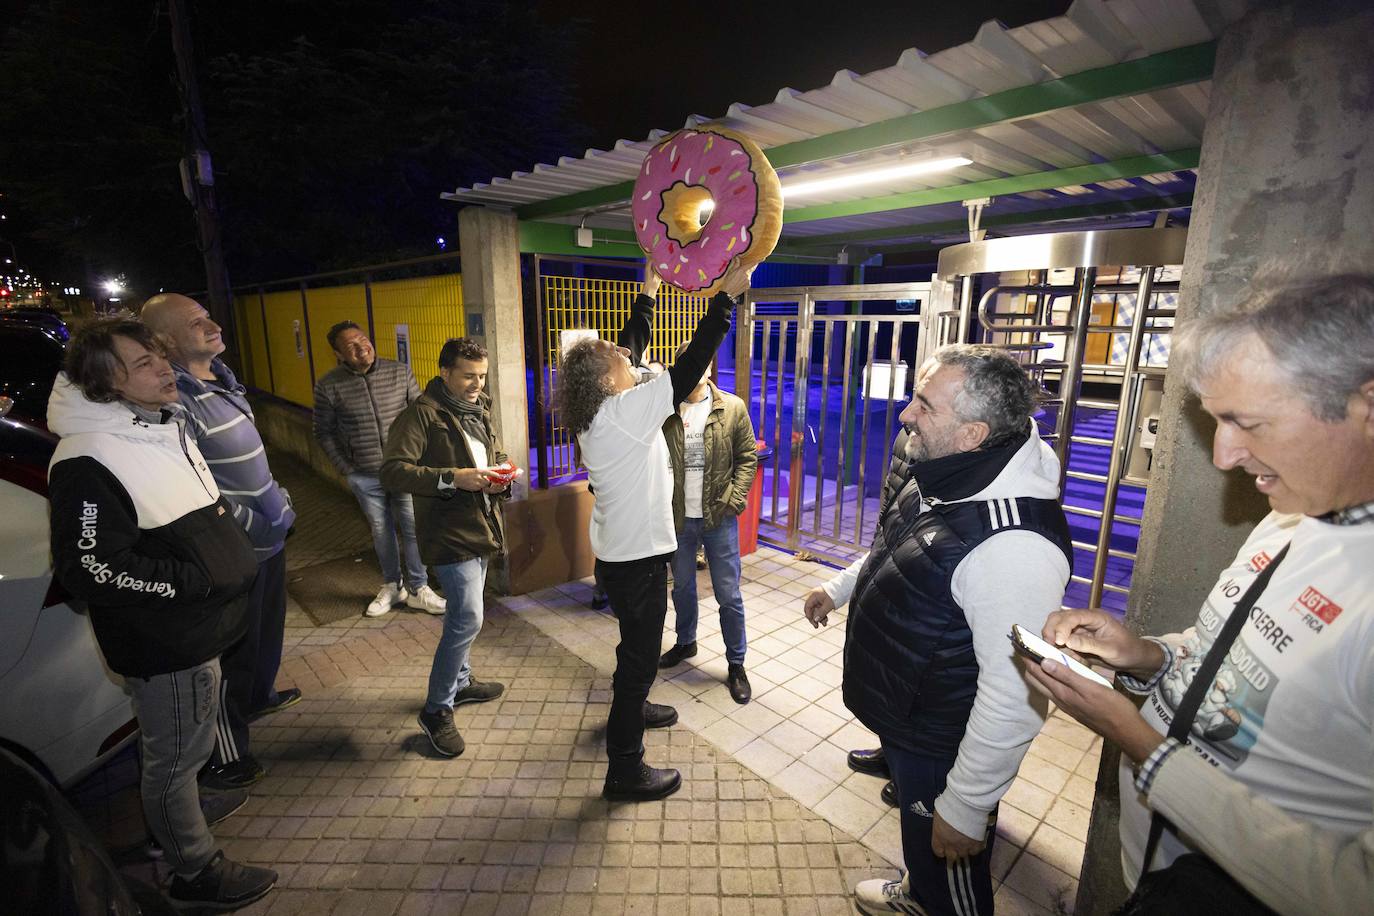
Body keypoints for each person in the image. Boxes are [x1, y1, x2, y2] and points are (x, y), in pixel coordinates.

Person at [1026, 274, 1374, 915]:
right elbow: (1241, 654)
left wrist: (1139, 744)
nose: (1223, 456)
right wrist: (1147, 655)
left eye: (1250, 424)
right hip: (1161, 883)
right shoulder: (1295, 511)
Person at [802, 345, 1072, 916]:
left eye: (924, 405)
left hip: (942, 739)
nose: (905, 414)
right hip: (911, 718)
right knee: (923, 850)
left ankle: (935, 898)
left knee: (954, 869)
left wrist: (969, 805)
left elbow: (1017, 695)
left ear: (973, 432)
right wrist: (839, 588)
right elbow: (894, 547)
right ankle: (918, 890)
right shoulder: (953, 473)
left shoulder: (1013, 546)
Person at [46, 318, 277, 910]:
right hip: (168, 640)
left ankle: (181, 816)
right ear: (105, 385)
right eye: (142, 364)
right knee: (172, 759)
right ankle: (194, 870)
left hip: (199, 628)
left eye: (158, 356)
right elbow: (90, 568)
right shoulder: (89, 457)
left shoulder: (156, 428)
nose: (163, 369)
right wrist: (196, 581)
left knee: (189, 748)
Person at [557, 258, 752, 802]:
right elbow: (688, 367)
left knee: (631, 648)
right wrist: (724, 303)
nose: (627, 358)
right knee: (639, 660)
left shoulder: (601, 409)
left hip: (620, 557)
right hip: (638, 562)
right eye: (616, 361)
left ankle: (635, 704)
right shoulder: (625, 411)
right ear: (605, 381)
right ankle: (625, 769)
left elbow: (629, 350)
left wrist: (647, 293)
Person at [142, 293, 298, 792]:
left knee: (264, 637)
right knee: (234, 652)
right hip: (237, 552)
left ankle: (259, 698)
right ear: (165, 342)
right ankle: (227, 756)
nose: (212, 325)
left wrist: (281, 503)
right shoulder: (177, 401)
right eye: (196, 322)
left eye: (208, 315)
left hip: (269, 543)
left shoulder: (222, 381)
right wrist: (254, 523)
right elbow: (193, 483)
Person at [380, 337, 510, 759]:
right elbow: (394, 472)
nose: (478, 384)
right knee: (467, 618)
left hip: (480, 524)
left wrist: (499, 472)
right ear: (445, 373)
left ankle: (463, 681)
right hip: (448, 532)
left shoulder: (477, 408)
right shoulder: (421, 414)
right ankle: (436, 710)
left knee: (464, 615)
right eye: (469, 375)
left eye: (482, 375)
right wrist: (452, 478)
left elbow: (484, 454)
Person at [313, 320, 446, 617]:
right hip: (364, 472)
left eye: (363, 340)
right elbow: (323, 431)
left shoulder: (399, 372)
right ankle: (392, 585)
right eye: (352, 346)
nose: (362, 348)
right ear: (338, 354)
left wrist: (419, 457)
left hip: (404, 469)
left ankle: (419, 588)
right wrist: (345, 468)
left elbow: (422, 416)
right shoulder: (328, 385)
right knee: (380, 530)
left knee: (412, 528)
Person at [658, 339, 759, 704]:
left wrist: (735, 497)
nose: (697, 368)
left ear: (710, 367)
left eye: (702, 361)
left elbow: (748, 456)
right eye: (689, 362)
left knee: (728, 594)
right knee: (682, 587)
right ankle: (686, 642)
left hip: (718, 516)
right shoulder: (665, 409)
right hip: (679, 518)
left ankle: (736, 662)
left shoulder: (731, 407)